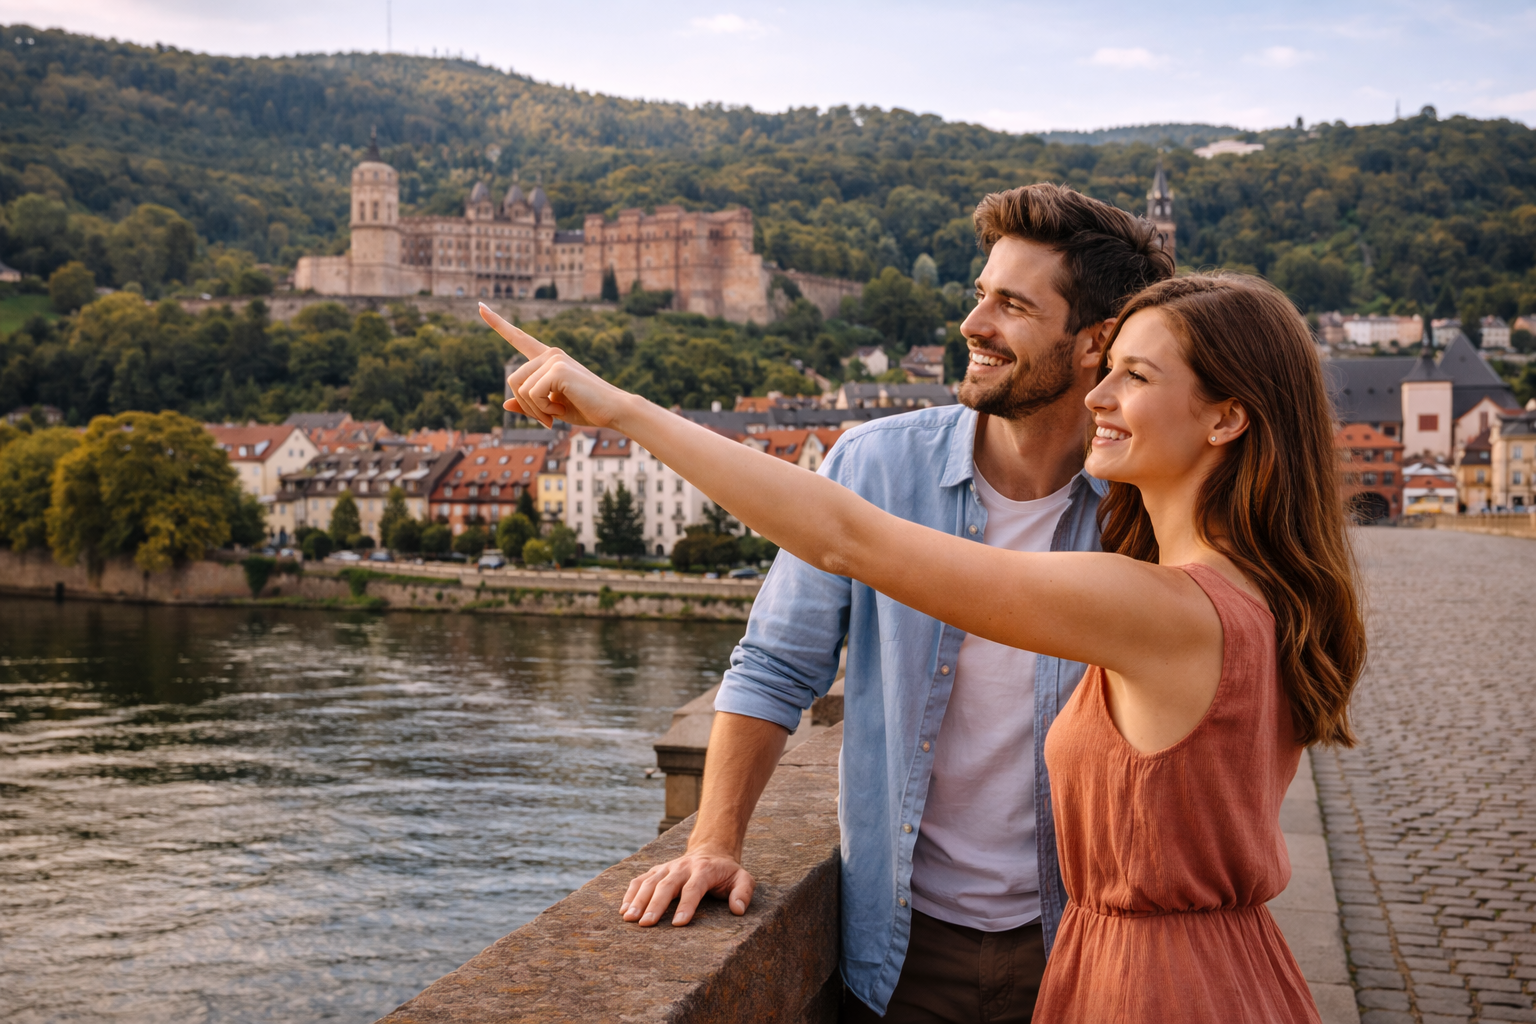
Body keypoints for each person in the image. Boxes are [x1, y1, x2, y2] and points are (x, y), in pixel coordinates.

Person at [484, 263, 1364, 1023]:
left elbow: (846, 537)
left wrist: (625, 410)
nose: (1097, 394)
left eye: (1134, 377)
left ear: (1226, 420)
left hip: (1150, 991)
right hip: (1234, 974)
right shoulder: (1260, 589)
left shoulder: (1156, 606)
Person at [623, 185, 1168, 1022]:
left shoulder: (1146, 507)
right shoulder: (877, 467)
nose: (975, 323)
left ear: (1095, 341)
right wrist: (713, 843)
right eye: (979, 293)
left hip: (1091, 947)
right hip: (907, 947)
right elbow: (774, 665)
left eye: (1012, 304)